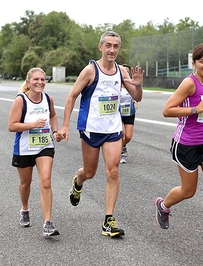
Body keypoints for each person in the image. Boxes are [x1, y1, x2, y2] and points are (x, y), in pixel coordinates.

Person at [58, 31, 144, 237]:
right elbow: (71, 97)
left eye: (115, 46)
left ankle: (108, 220)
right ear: (100, 47)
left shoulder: (122, 71)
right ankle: (78, 182)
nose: (112, 50)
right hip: (90, 128)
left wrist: (138, 85)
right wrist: (64, 126)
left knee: (113, 171)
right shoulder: (90, 70)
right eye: (108, 45)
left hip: (113, 129)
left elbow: (136, 97)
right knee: (89, 172)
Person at [153, 42, 203, 258]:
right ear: (194, 63)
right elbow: (167, 110)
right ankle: (163, 205)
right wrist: (195, 109)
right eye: (202, 61)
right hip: (186, 144)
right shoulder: (189, 83)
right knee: (188, 191)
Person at [8, 67, 61, 237]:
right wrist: (32, 125)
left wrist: (55, 131)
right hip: (24, 148)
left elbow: (53, 116)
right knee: (25, 183)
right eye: (36, 79)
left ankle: (47, 222)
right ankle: (25, 209)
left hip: (44, 145)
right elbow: (12, 126)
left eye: (43, 79)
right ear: (28, 82)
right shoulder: (21, 100)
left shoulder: (48, 98)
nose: (40, 82)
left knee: (45, 182)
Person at [119, 64, 138, 164]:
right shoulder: (116, 83)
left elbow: (135, 94)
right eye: (122, 70)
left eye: (126, 71)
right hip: (117, 111)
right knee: (121, 134)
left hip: (129, 111)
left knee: (129, 136)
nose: (124, 72)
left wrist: (135, 101)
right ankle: (120, 153)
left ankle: (122, 145)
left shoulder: (131, 84)